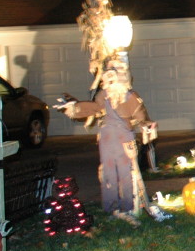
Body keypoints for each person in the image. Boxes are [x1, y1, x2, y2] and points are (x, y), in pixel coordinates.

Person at [53, 60, 156, 225]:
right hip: (107, 138)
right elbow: (94, 108)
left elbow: (141, 116)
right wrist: (75, 107)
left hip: (124, 138)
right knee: (109, 173)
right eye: (107, 76)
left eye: (113, 75)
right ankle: (112, 208)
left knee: (125, 173)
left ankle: (127, 207)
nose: (110, 80)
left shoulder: (131, 97)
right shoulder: (103, 95)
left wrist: (147, 127)